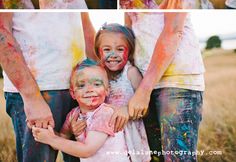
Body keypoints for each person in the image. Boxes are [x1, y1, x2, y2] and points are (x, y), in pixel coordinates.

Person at [0, 12, 95, 162]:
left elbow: (85, 27)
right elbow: (2, 30)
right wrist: (32, 97)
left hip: (81, 86)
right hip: (40, 89)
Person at [126, 12, 205, 162]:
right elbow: (129, 30)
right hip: (142, 81)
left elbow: (174, 30)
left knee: (177, 159)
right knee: (154, 158)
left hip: (177, 81)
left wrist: (143, 90)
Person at [32, 59, 131, 162]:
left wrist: (51, 139)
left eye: (97, 84)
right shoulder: (73, 115)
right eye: (81, 85)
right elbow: (62, 138)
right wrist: (46, 132)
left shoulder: (104, 113)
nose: (89, 89)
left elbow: (87, 151)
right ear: (73, 93)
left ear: (107, 91)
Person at [94, 23, 150, 162]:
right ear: (98, 51)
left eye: (120, 49)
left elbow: (146, 108)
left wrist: (127, 110)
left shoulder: (131, 73)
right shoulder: (97, 75)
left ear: (129, 51)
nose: (113, 55)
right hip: (106, 137)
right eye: (107, 49)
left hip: (130, 136)